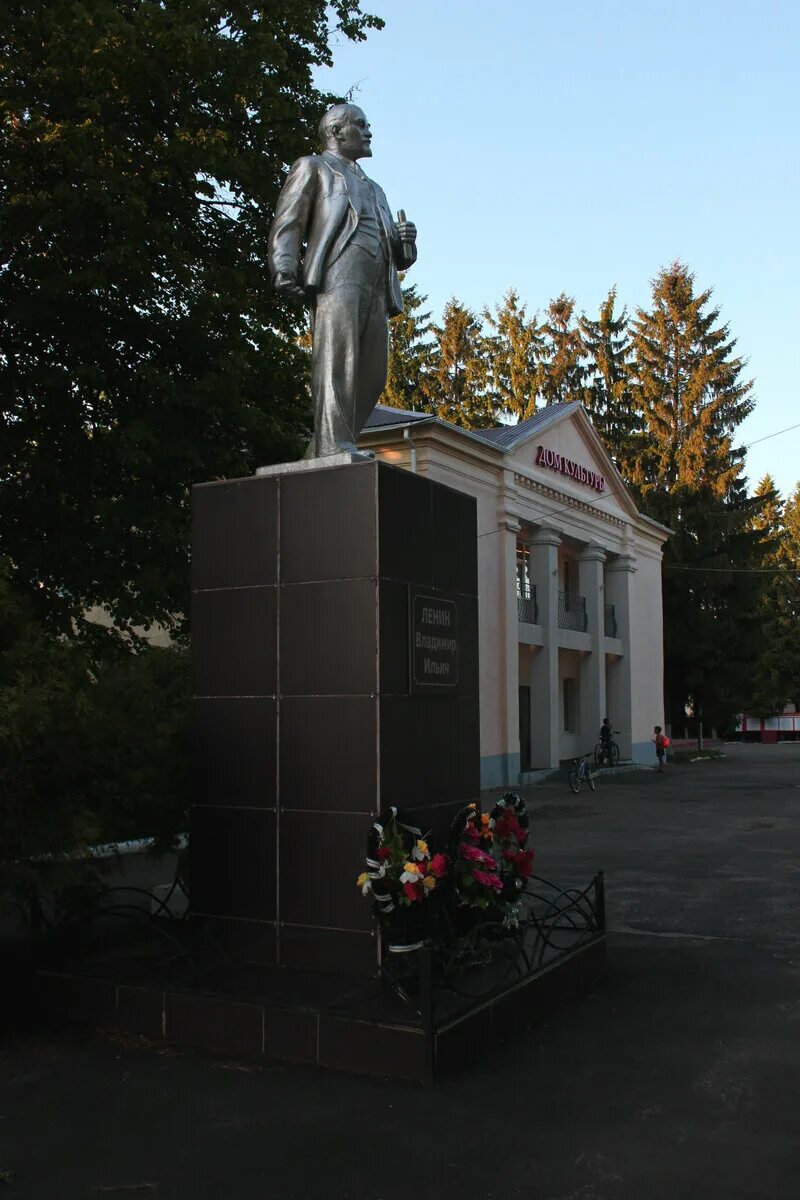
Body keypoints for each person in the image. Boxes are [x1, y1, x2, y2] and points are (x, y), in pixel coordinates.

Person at [268, 103, 418, 459]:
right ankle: (334, 444)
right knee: (338, 360)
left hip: (377, 283)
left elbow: (399, 254)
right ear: (336, 132)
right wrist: (284, 266)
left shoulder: (376, 189)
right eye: (361, 125)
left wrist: (405, 240)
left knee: (372, 371)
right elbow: (287, 222)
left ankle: (326, 445)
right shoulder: (314, 168)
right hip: (338, 274)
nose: (368, 132)